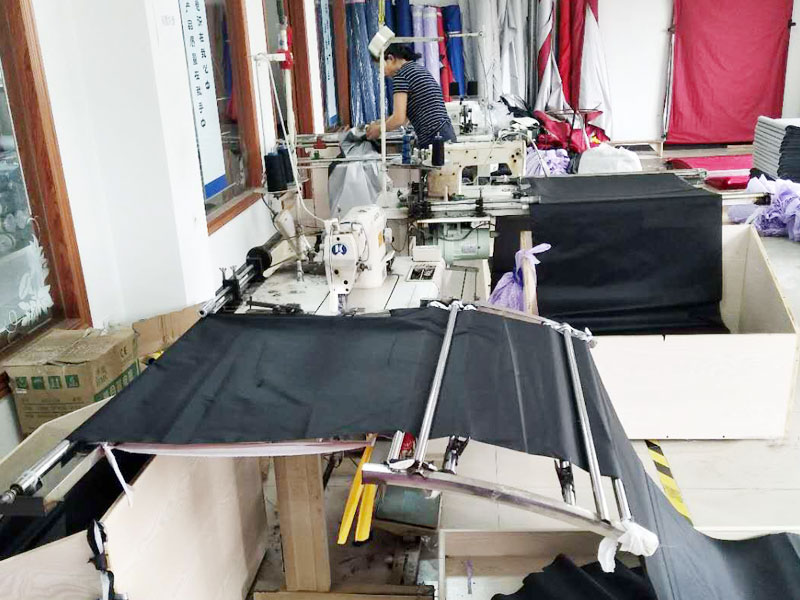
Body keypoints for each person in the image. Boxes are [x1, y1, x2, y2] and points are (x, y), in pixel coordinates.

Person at [365, 44, 456, 149]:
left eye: (380, 67)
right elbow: (405, 117)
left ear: (390, 58)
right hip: (445, 132)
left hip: (433, 137)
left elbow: (399, 119)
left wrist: (378, 129)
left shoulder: (401, 76)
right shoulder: (417, 68)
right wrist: (379, 123)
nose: (383, 73)